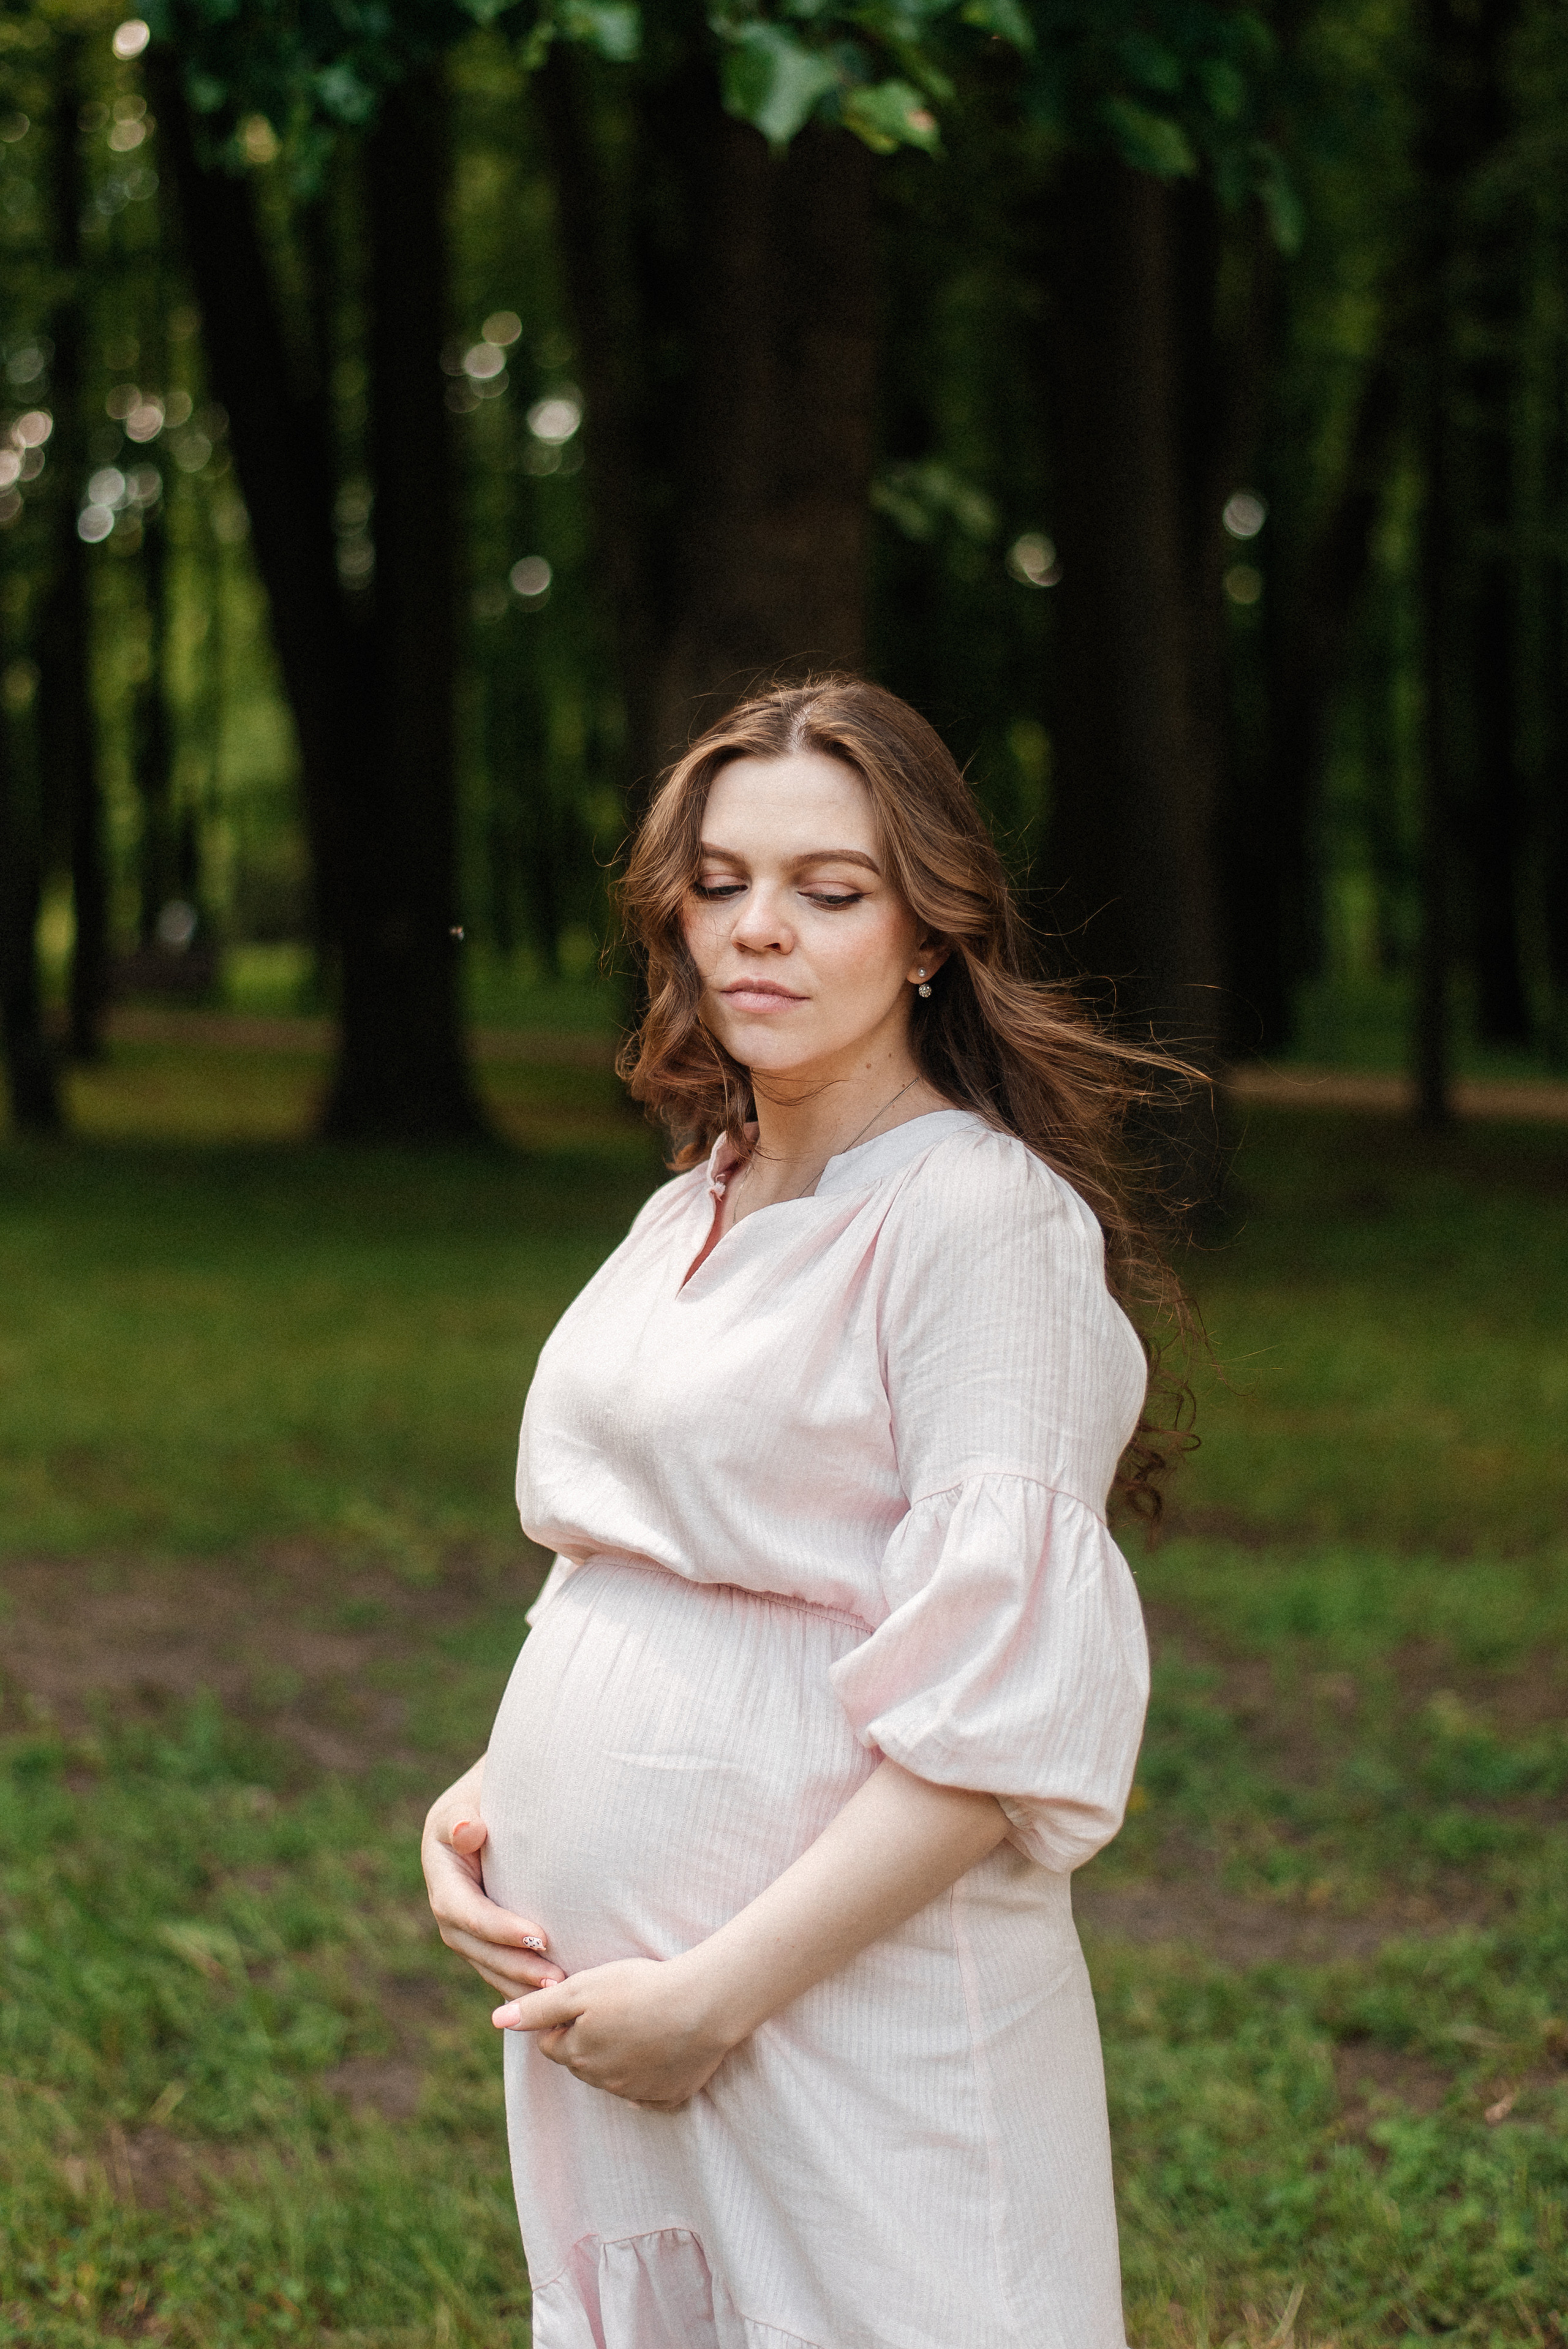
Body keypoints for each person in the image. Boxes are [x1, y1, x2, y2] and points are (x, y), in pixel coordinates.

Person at [421, 676, 1194, 2349]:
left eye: (829, 891)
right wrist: (486, 1801)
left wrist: (715, 1997)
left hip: (846, 2013)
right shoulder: (692, 1197)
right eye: (720, 883)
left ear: (929, 934)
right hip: (632, 2010)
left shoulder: (980, 1222)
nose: (757, 929)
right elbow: (643, 1554)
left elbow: (1000, 1714)